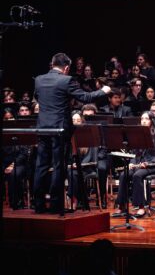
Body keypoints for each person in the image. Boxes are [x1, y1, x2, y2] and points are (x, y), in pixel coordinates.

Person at [33, 53, 111, 214]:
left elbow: (38, 98)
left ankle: (39, 204)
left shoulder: (39, 80)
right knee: (58, 166)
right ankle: (56, 205)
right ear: (67, 68)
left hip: (42, 128)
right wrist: (103, 90)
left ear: (52, 64)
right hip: (60, 130)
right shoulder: (66, 80)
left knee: (40, 166)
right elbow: (86, 97)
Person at [113, 112, 155, 218]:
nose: (144, 121)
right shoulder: (137, 134)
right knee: (124, 174)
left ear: (152, 121)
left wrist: (148, 163)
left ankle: (141, 207)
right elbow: (134, 153)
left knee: (137, 176)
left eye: (146, 118)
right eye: (142, 119)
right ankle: (121, 205)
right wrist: (132, 163)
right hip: (138, 164)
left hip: (153, 166)